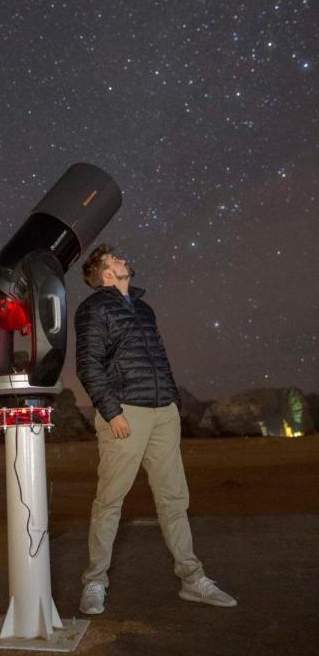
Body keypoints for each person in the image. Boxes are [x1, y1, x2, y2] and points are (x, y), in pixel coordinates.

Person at [75, 245, 236, 615]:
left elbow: (160, 356)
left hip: (163, 412)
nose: (123, 259)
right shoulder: (95, 308)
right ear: (105, 273)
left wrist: (174, 402)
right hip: (126, 414)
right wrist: (112, 412)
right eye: (115, 258)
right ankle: (95, 581)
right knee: (111, 501)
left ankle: (192, 579)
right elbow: (88, 364)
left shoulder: (144, 309)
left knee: (174, 500)